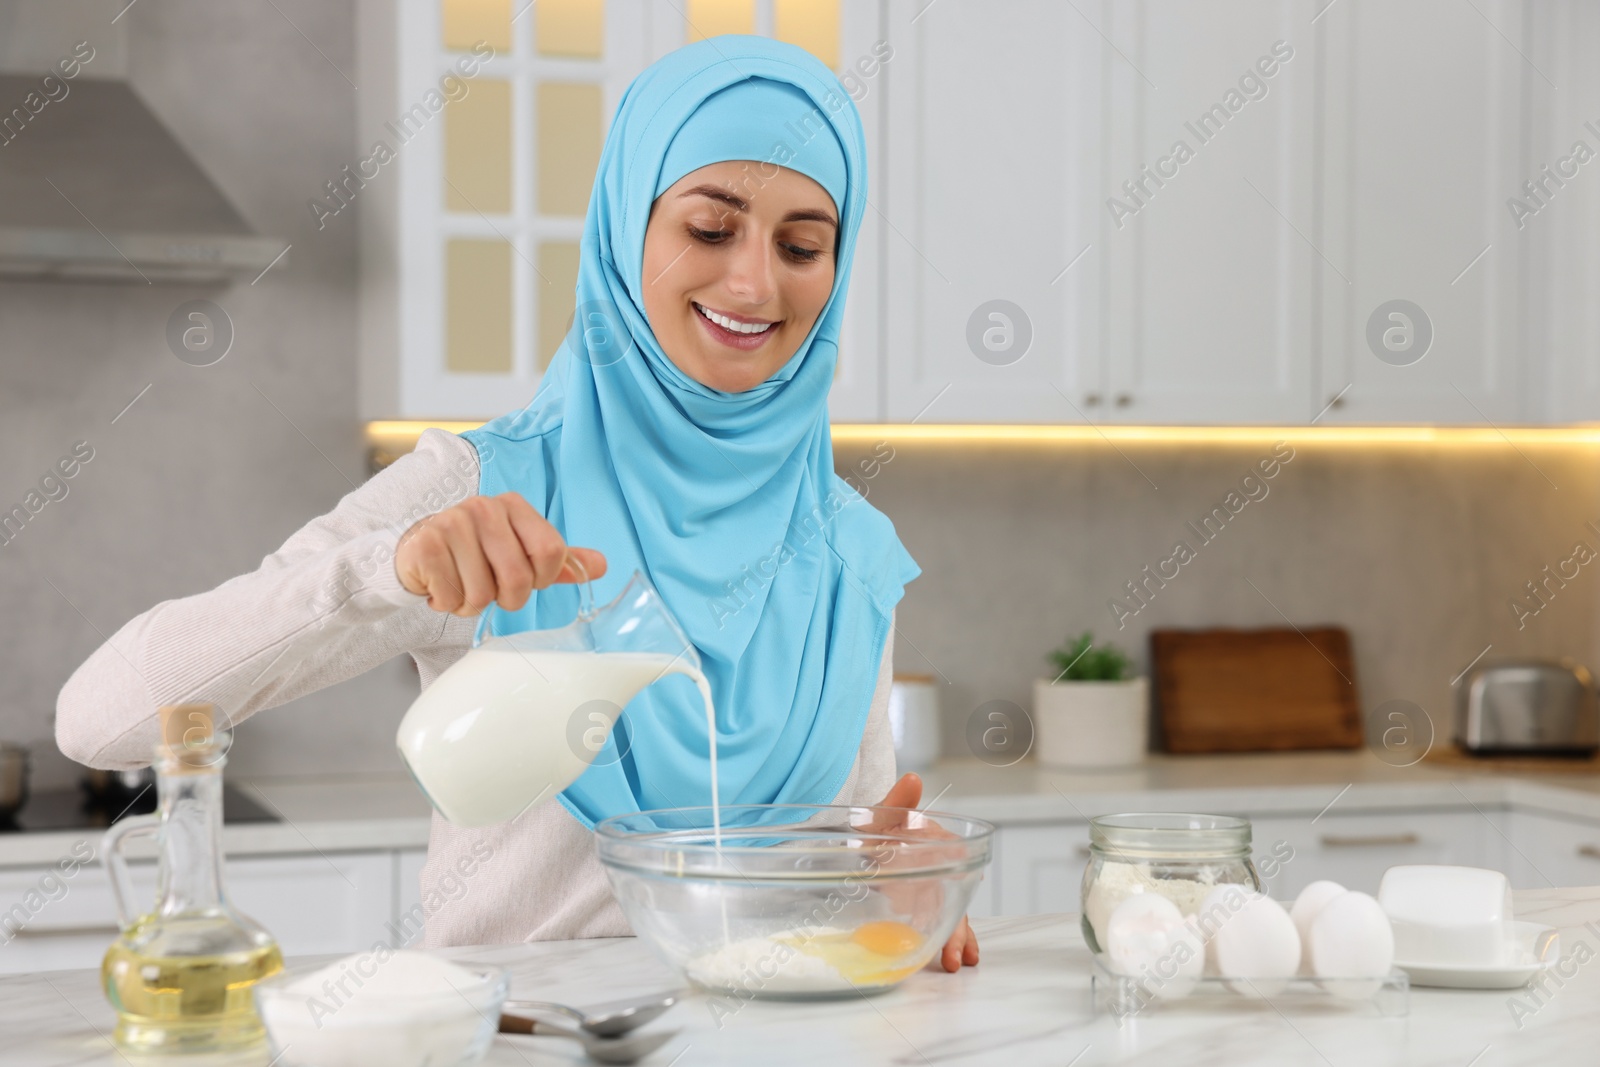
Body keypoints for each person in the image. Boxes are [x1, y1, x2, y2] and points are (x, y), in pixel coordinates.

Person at [56, 35, 978, 972]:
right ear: (628, 226)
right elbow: (102, 717)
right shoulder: (480, 491)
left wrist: (896, 890)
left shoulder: (849, 551)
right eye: (709, 229)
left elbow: (843, 860)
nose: (754, 282)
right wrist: (393, 568)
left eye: (802, 246)